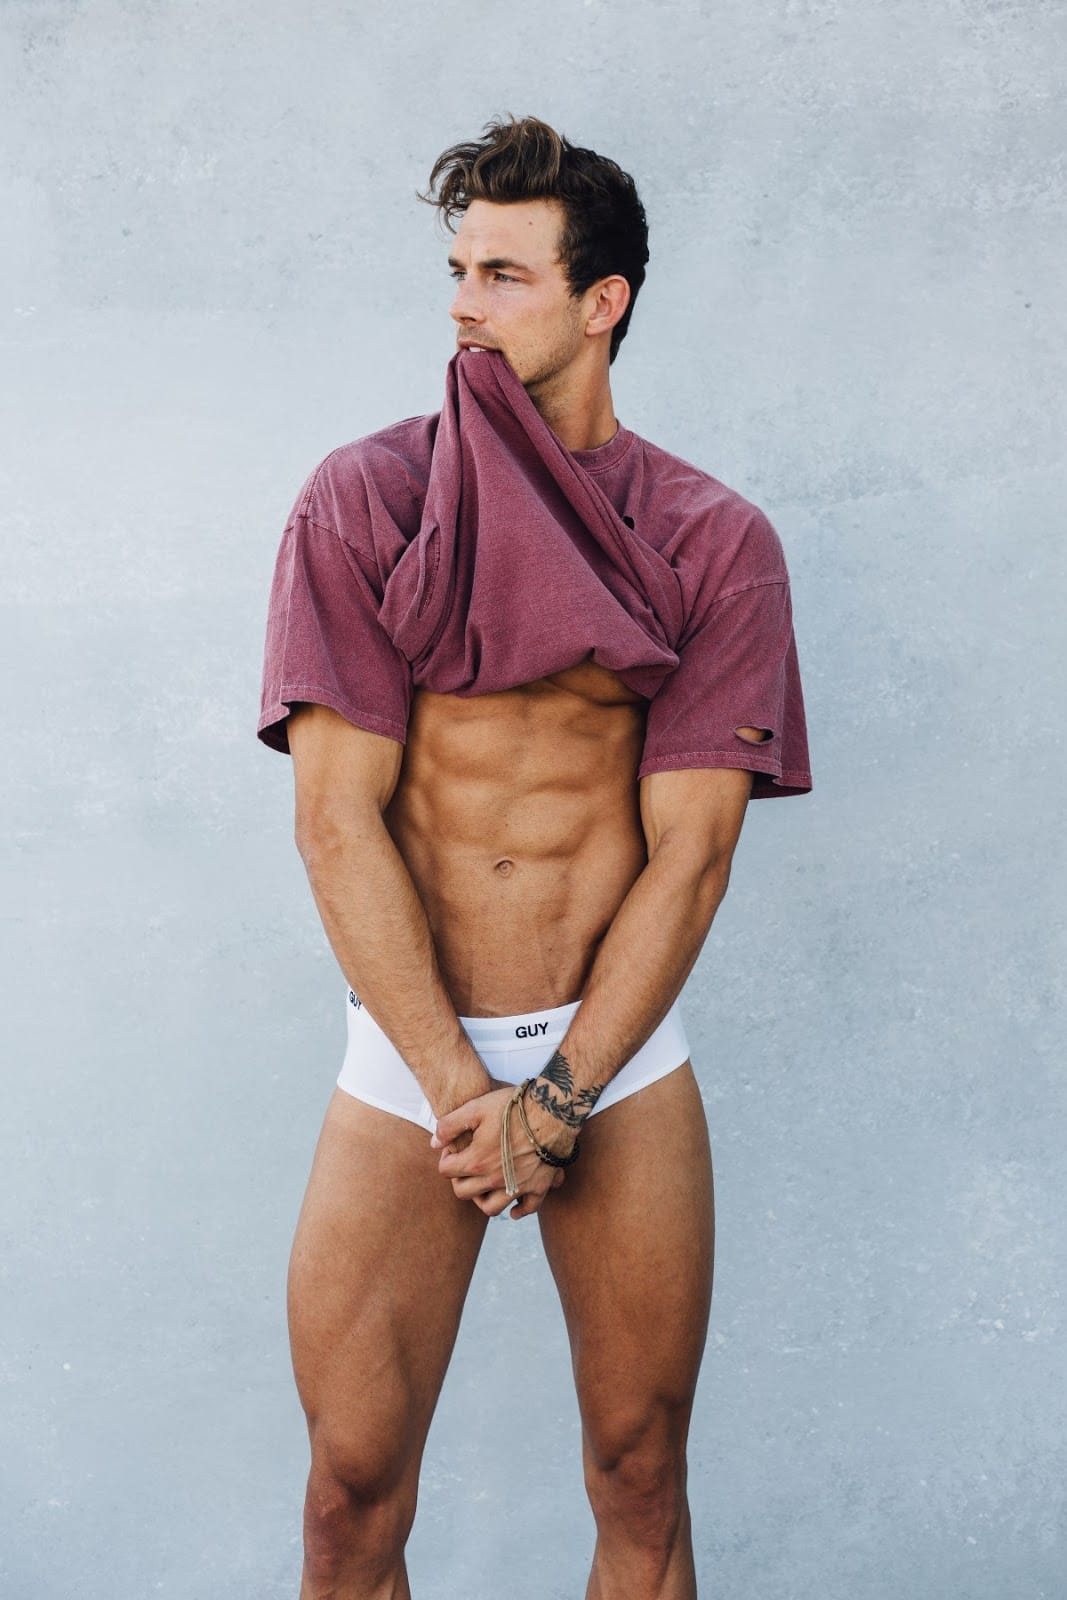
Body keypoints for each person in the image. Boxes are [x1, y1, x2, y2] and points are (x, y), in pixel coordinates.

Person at [256, 113, 811, 1600]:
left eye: (504, 275)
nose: (464, 305)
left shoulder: (713, 539)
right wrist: (464, 1096)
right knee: (348, 1498)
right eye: (458, 270)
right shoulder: (366, 499)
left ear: (601, 301)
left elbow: (692, 857)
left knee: (640, 1475)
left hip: (612, 1060)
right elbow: (334, 819)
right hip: (412, 1057)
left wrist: (558, 1099)